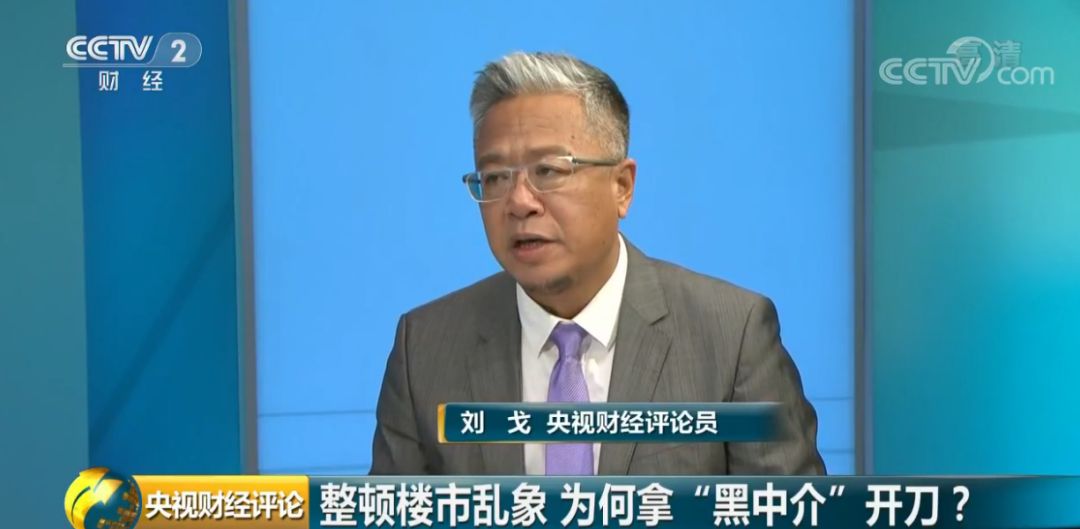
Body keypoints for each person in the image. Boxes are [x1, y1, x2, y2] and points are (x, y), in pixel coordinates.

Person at [370, 51, 825, 475]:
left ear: (622, 186)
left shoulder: (731, 336)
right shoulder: (425, 350)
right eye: (495, 177)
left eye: (548, 171)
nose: (519, 202)